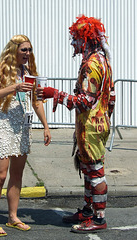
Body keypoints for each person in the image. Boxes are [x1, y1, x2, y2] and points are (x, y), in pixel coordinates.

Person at [37, 15, 115, 233]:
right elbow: (111, 96)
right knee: (89, 169)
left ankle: (99, 218)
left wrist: (55, 94)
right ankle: (89, 211)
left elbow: (84, 102)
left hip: (91, 127)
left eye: (75, 39)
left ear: (86, 39)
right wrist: (105, 118)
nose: (72, 43)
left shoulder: (92, 63)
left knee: (95, 171)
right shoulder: (102, 59)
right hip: (94, 125)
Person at [0, 35, 51, 237]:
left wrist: (46, 126)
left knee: (17, 174)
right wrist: (14, 87)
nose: (27, 54)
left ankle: (12, 217)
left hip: (22, 128)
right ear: (14, 50)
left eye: (29, 50)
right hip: (2, 126)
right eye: (24, 50)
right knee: (0, 175)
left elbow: (36, 102)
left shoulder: (28, 72)